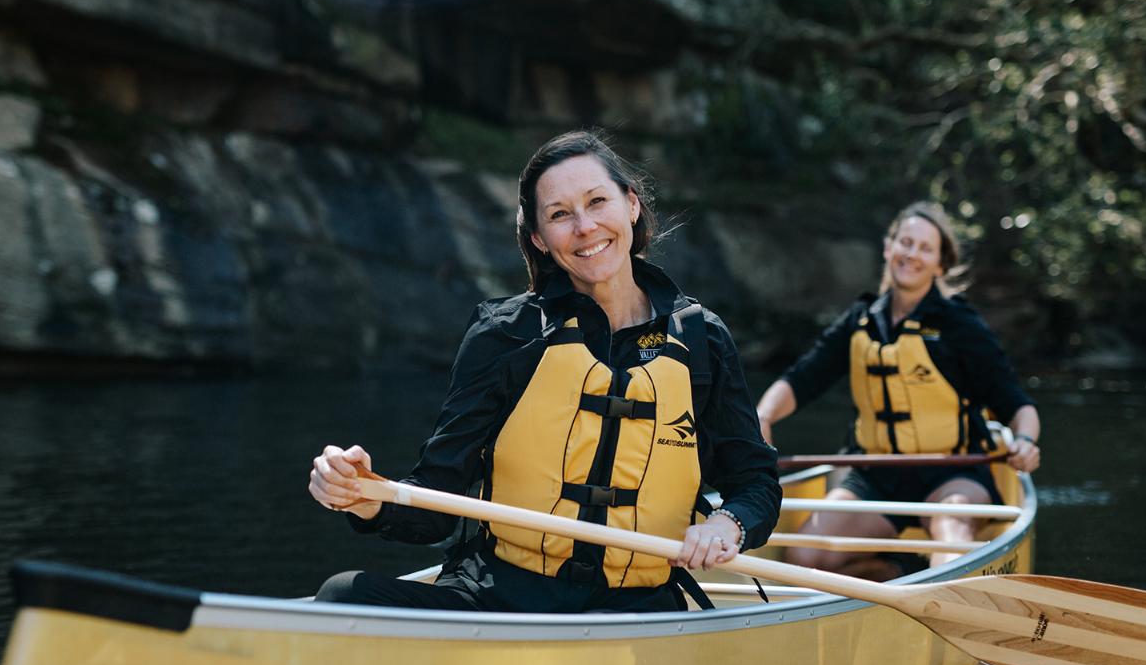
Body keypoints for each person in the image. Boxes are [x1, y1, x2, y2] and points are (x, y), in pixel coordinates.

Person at [308, 130, 782, 613]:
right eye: (560, 214)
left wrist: (730, 524)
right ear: (539, 237)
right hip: (503, 595)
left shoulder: (702, 339)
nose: (585, 226)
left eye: (598, 201)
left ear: (631, 206)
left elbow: (756, 483)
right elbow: (437, 505)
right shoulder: (505, 334)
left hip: (639, 607)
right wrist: (365, 497)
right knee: (344, 596)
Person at [755, 202, 1040, 580]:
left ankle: (940, 596)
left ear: (940, 263)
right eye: (906, 242)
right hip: (878, 473)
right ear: (889, 248)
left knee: (950, 530)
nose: (912, 254)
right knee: (805, 556)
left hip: (953, 473)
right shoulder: (860, 320)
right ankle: (897, 569)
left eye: (925, 248)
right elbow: (803, 378)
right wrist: (763, 415)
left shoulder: (960, 325)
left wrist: (1024, 440)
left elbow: (1018, 405)